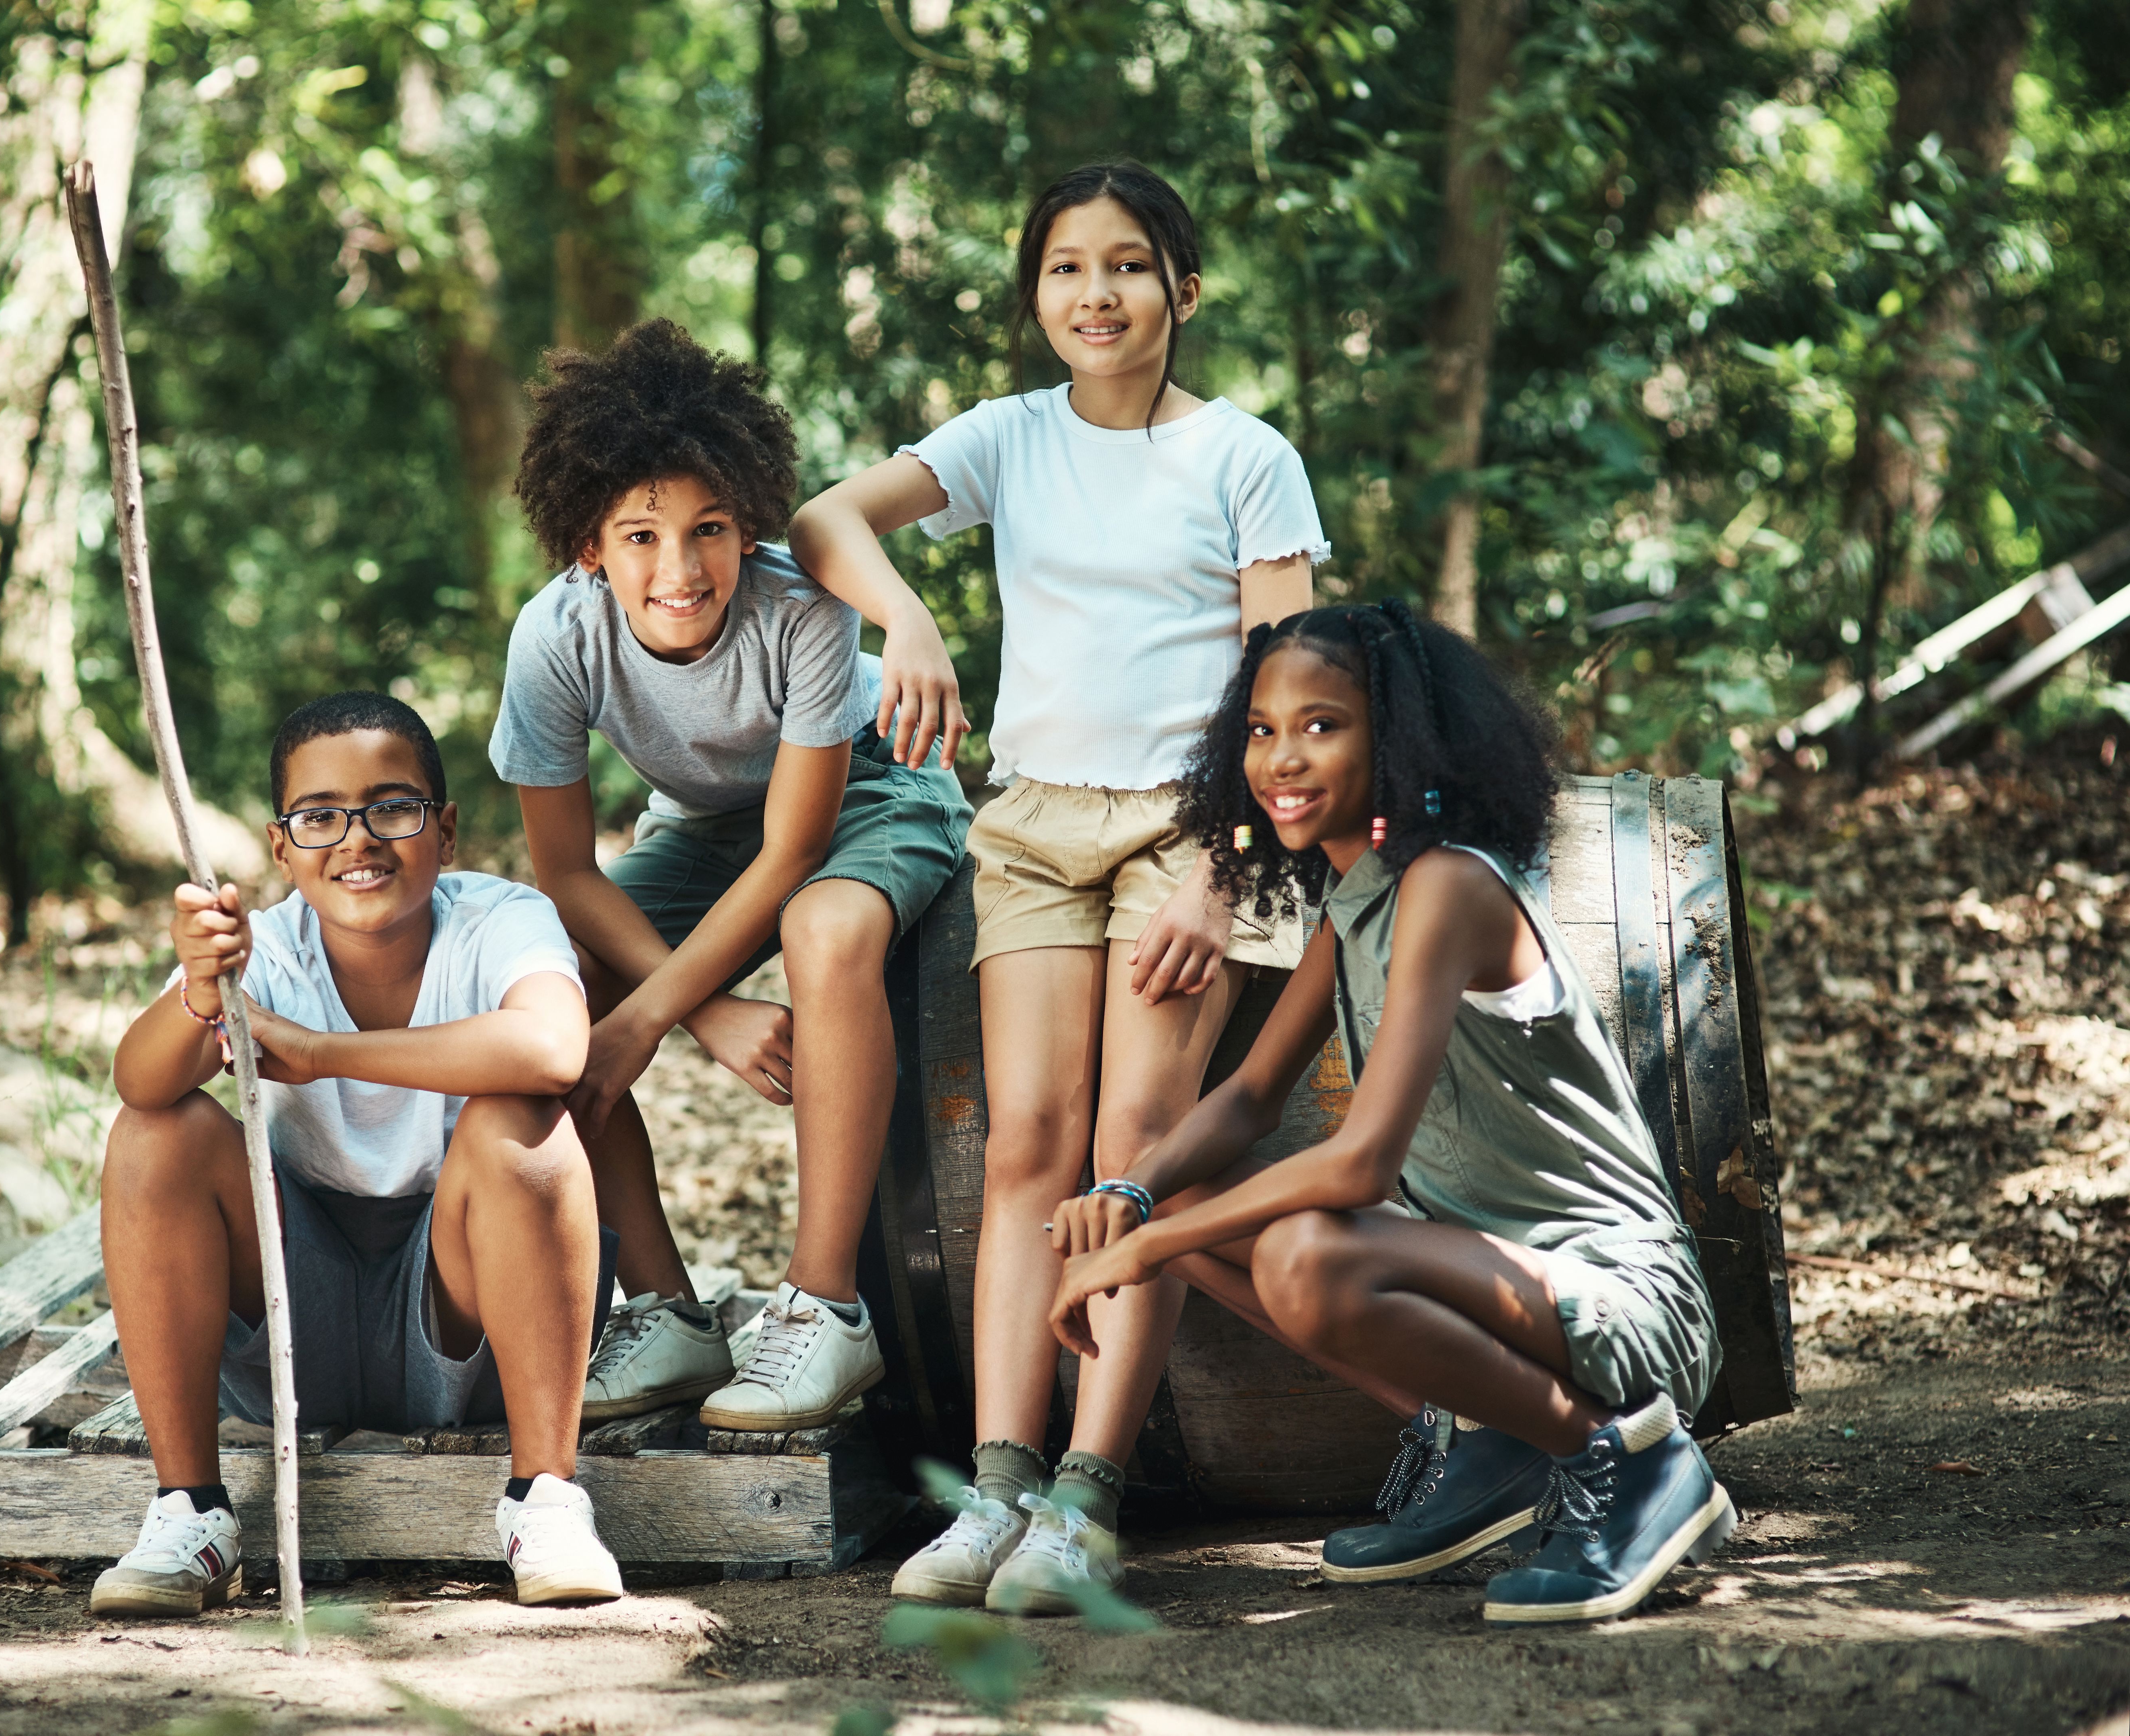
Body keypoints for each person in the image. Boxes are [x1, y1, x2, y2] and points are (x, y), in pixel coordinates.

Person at [788, 162, 1326, 1611]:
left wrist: (1225, 874)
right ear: (1035, 297)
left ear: (1183, 290)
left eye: (1131, 266)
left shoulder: (1244, 456)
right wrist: (904, 622)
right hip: (1030, 825)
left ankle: (1087, 1504)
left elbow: (1287, 689)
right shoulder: (1007, 438)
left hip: (1187, 831)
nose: (1098, 294)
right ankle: (998, 1487)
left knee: (1127, 1153)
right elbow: (825, 521)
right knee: (1024, 1143)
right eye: (1066, 270)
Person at [1046, 602, 1734, 1626]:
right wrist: (1129, 1194)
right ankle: (1488, 1446)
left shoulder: (1448, 886)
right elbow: (1246, 1098)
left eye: (1324, 726)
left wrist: (1137, 1254)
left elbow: (1361, 1163)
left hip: (1620, 1297)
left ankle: (1629, 1462)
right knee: (1182, 1197)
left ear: (1399, 739)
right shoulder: (1352, 901)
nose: (1283, 757)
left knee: (1305, 1259)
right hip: (1491, 1281)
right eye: (1263, 729)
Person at [490, 319, 973, 1435]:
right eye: (642, 535)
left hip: (875, 790)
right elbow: (563, 869)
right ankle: (665, 1311)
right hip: (705, 825)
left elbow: (797, 851)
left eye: (710, 530)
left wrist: (662, 1014)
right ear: (587, 547)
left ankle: (826, 1309)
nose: (680, 568)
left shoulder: (799, 610)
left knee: (826, 931)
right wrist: (697, 1012)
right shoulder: (555, 639)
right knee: (555, 986)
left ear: (747, 522)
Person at [91, 690, 624, 1616]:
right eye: (320, 816)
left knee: (519, 1123)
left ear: (446, 831)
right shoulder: (261, 948)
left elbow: (552, 1050)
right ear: (280, 846)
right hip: (300, 1320)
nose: (359, 839)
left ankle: (547, 1500)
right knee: (156, 1131)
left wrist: (319, 1052)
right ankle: (193, 1511)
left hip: (464, 1311)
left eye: (393, 807)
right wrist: (198, 992)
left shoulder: (502, 920)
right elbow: (138, 1080)